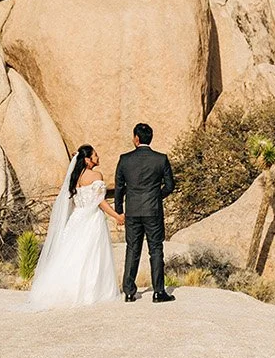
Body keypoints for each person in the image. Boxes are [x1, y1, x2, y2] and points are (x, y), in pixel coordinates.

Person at [27, 143, 121, 310]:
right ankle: (90, 293)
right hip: (91, 219)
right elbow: (100, 202)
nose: (98, 157)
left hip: (76, 218)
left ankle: (61, 290)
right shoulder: (96, 175)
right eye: (95, 155)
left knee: (71, 254)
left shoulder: (73, 177)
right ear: (87, 159)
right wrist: (117, 216)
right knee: (91, 256)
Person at [114, 122, 175, 303]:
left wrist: (119, 210)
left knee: (132, 249)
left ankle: (130, 292)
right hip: (153, 210)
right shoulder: (161, 159)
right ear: (150, 138)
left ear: (136, 139)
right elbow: (170, 185)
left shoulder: (124, 159)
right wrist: (157, 196)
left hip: (132, 210)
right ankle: (158, 292)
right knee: (155, 250)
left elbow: (119, 187)